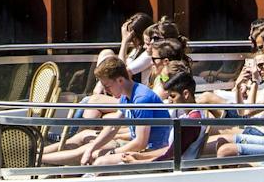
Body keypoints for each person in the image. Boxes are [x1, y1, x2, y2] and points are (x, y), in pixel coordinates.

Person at [41, 53, 169, 166]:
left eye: (107, 86)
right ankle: (35, 152)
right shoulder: (126, 95)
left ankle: (37, 160)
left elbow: (140, 143)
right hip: (134, 144)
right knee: (83, 137)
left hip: (150, 150)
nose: (106, 91)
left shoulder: (141, 99)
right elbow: (113, 127)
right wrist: (92, 148)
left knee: (93, 153)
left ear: (120, 80)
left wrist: (109, 152)